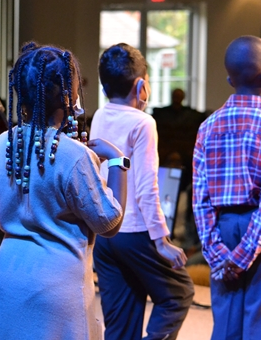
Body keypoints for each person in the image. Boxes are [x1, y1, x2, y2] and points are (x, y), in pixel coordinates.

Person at [0, 42, 127, 340]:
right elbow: (109, 222)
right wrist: (116, 161)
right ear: (69, 95)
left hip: (7, 274)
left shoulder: (1, 145)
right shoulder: (75, 155)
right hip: (57, 284)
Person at [192, 35, 261, 340]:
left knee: (225, 325)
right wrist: (245, 254)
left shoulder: (207, 126)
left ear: (229, 79)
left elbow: (201, 197)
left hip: (222, 229)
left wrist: (215, 253)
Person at [90, 43, 194, 340]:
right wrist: (161, 240)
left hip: (105, 233)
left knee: (122, 323)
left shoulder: (99, 115)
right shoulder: (143, 122)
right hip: (135, 231)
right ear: (141, 85)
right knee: (179, 293)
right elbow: (147, 187)